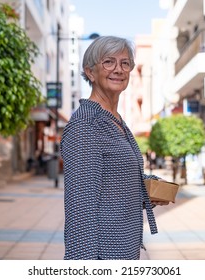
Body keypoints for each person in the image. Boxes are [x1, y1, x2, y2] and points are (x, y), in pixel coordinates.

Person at [60, 36, 169, 260]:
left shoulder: (114, 120)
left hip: (124, 248)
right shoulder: (86, 125)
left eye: (125, 63)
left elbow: (110, 183)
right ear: (90, 72)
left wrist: (147, 189)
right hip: (104, 255)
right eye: (108, 62)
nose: (118, 69)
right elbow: (80, 209)